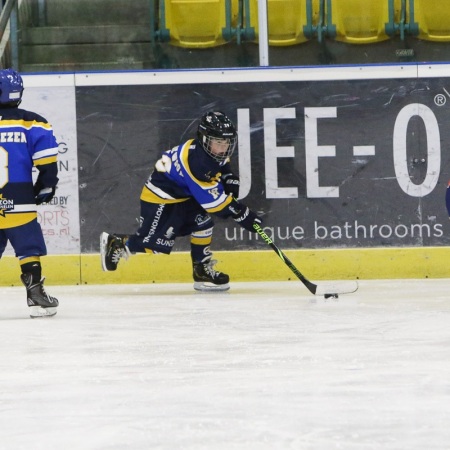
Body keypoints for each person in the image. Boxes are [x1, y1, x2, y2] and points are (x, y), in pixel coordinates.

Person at [100, 111, 262, 291]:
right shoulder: (199, 164)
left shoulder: (209, 151)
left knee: (203, 224)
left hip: (183, 194)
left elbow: (223, 164)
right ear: (205, 139)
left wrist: (229, 176)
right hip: (161, 197)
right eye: (218, 143)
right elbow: (214, 204)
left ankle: (201, 269)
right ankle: (118, 243)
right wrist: (243, 215)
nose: (223, 148)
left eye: (226, 143)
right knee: (153, 245)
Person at [0, 68, 59, 317]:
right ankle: (35, 295)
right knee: (28, 248)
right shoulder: (33, 122)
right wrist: (45, 187)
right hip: (20, 197)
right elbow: (47, 165)